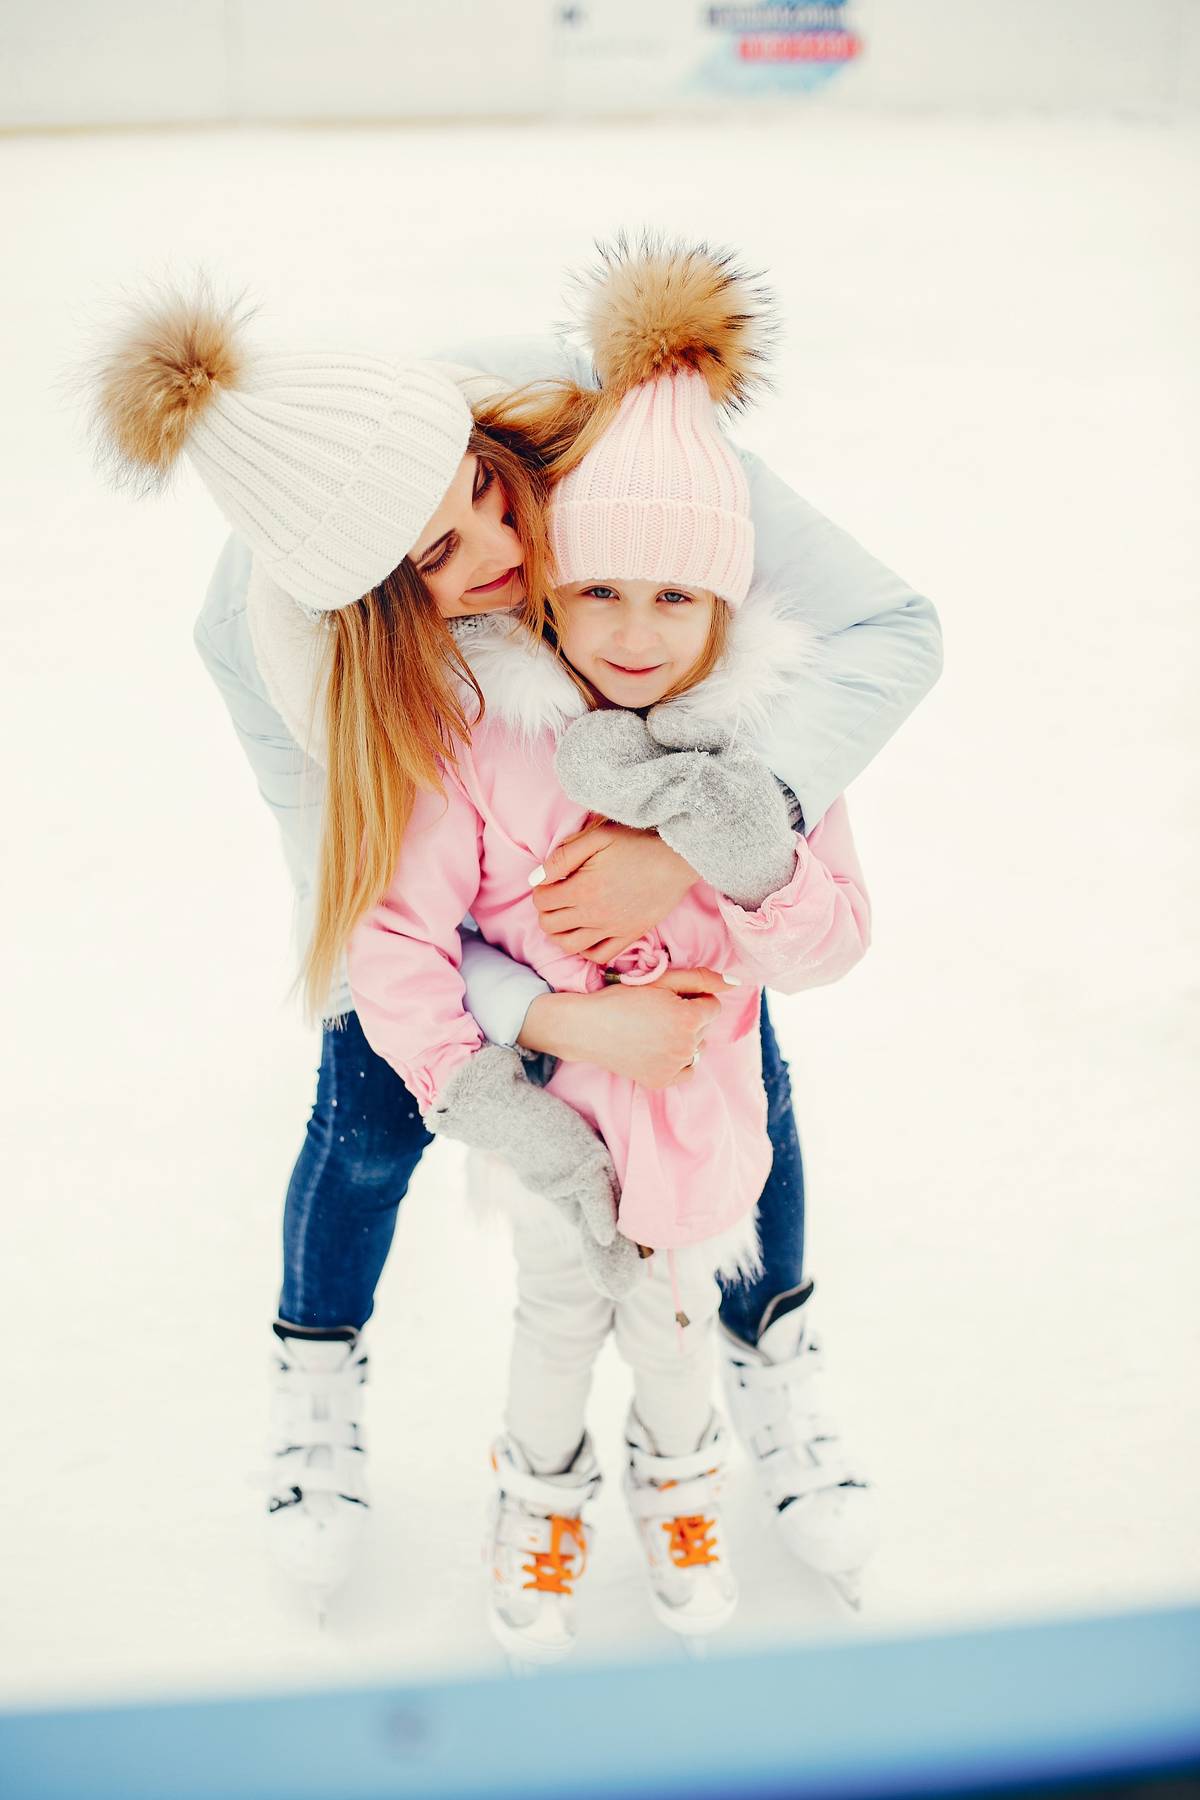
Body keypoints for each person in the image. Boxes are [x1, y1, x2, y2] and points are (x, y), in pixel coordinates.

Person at [90, 244, 941, 1615]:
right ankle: (317, 1373)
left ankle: (765, 1344)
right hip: (451, 900)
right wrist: (538, 1015)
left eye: (488, 498)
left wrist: (687, 848)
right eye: (436, 556)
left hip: (664, 860)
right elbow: (359, 903)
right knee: (366, 1117)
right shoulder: (275, 648)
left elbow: (887, 631)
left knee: (736, 1084)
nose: (502, 552)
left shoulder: (614, 442)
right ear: (367, 598)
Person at [346, 240, 874, 1659]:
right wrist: (502, 1086)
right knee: (556, 1319)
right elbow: (399, 932)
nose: (633, 632)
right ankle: (539, 1496)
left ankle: (682, 1480)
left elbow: (829, 941)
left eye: (675, 597)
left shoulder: (765, 748)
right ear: (551, 595)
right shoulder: (487, 736)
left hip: (701, 1133)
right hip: (562, 1138)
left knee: (680, 1321)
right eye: (596, 593)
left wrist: (725, 836)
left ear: (724, 605)